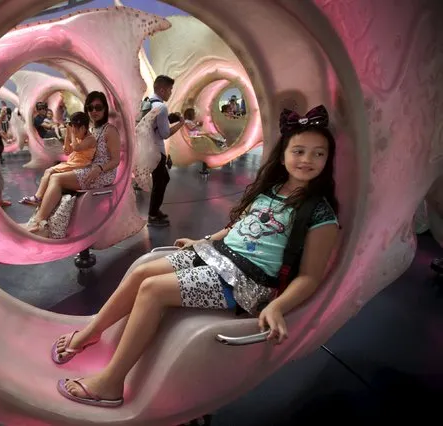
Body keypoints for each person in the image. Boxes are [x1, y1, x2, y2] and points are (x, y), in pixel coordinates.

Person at [53, 105, 340, 408]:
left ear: (327, 159)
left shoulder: (320, 212)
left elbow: (310, 276)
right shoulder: (271, 190)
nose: (307, 160)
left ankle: (111, 383)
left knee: (153, 291)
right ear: (284, 154)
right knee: (141, 273)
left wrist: (279, 306)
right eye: (299, 151)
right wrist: (202, 242)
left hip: (247, 280)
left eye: (318, 153)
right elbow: (236, 229)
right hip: (218, 254)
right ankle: (91, 333)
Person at [25, 91, 120, 234]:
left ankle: (40, 221)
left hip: (102, 173)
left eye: (98, 107)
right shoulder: (91, 129)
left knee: (57, 178)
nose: (94, 111)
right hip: (88, 168)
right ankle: (48, 220)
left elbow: (115, 160)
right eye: (90, 107)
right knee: (52, 173)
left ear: (105, 108)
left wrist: (99, 168)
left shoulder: (110, 130)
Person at [18, 111, 97, 206]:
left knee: (49, 171)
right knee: (49, 172)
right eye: (73, 131)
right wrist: (68, 134)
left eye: (76, 130)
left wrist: (71, 133)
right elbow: (67, 151)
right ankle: (40, 197)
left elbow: (77, 148)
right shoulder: (79, 138)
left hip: (81, 165)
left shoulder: (90, 139)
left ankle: (38, 197)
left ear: (83, 128)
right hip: (73, 164)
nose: (74, 133)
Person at [145, 75, 185, 227]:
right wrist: (180, 124)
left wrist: (169, 119)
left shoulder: (149, 102)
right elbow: (165, 134)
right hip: (157, 151)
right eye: (170, 89)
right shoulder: (161, 107)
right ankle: (153, 215)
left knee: (163, 179)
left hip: (149, 149)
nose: (170, 93)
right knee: (160, 183)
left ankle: (155, 211)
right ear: (162, 89)